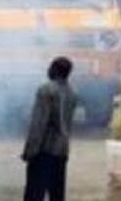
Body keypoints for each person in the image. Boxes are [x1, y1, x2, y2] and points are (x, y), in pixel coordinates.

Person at [22, 56, 76, 201]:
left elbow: (39, 124)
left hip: (44, 151)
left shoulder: (46, 90)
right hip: (62, 151)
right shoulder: (72, 93)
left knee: (34, 194)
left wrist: (30, 150)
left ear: (55, 70)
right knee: (57, 195)